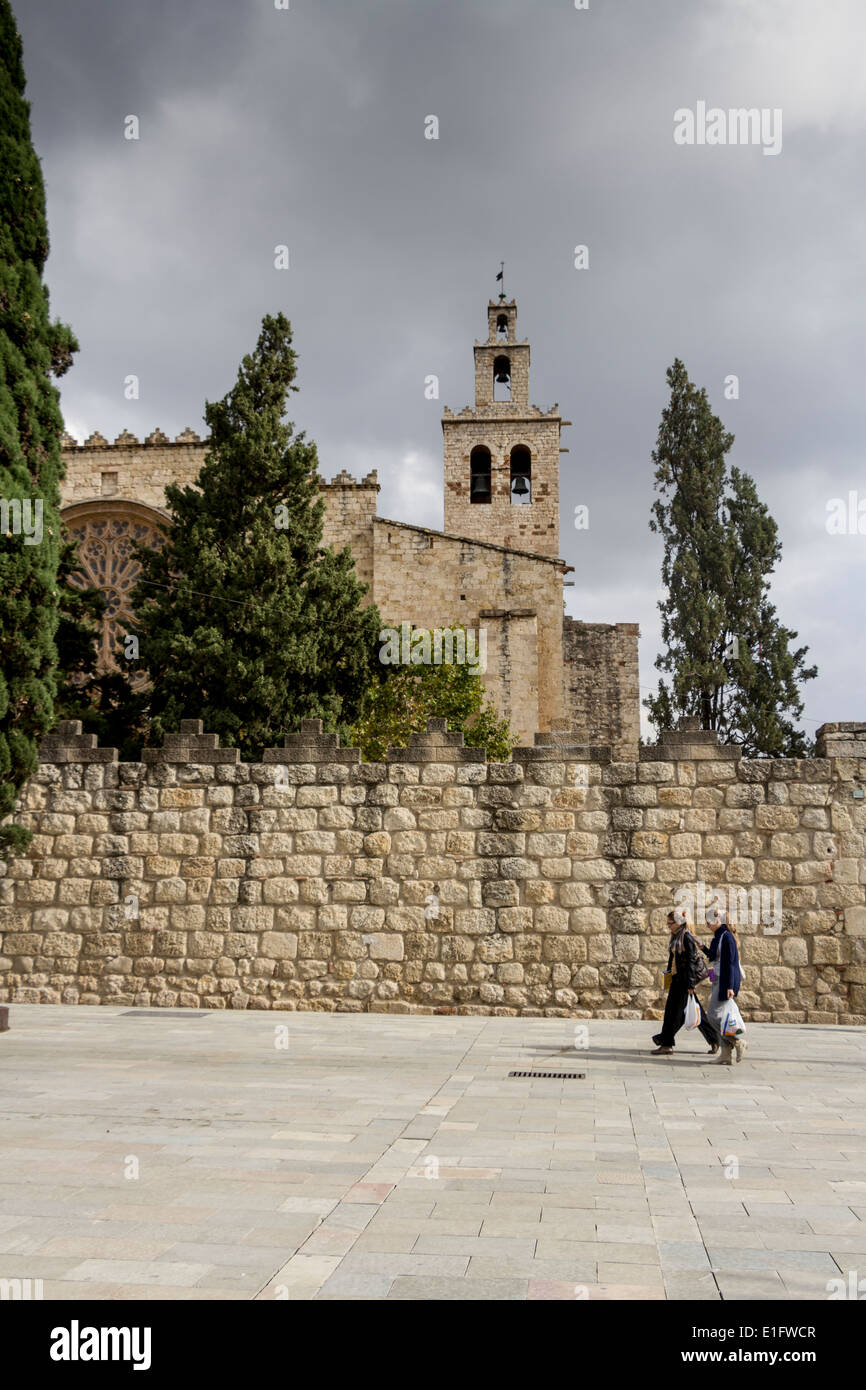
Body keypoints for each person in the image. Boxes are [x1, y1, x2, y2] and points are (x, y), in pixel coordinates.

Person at [651, 911, 720, 1056]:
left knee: (674, 1013)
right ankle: (715, 1039)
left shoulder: (686, 937)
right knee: (694, 1012)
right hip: (677, 979)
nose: (668, 926)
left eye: (670, 923)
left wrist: (690, 985)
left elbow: (690, 963)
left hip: (684, 981)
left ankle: (666, 1043)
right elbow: (673, 958)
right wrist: (668, 975)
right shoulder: (675, 937)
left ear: (679, 923)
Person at [701, 908, 746, 1065]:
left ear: (718, 921)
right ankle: (725, 1054)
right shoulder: (719, 936)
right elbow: (715, 958)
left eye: (709, 922)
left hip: (724, 983)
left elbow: (729, 964)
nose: (707, 925)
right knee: (720, 1017)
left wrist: (729, 987)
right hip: (718, 980)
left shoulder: (726, 937)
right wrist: (702, 948)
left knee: (712, 1015)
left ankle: (737, 1042)